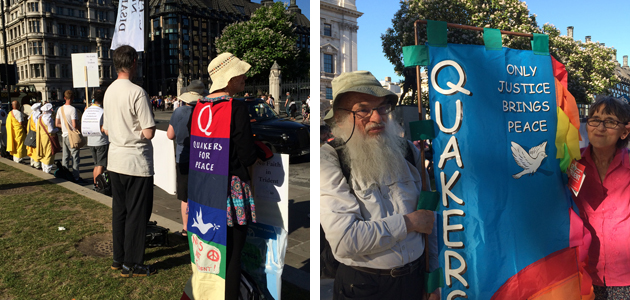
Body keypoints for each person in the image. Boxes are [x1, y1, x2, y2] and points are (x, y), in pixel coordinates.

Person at [320, 71, 439, 300]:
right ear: (341, 117)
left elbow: (429, 220)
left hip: (415, 281)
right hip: (364, 286)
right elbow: (345, 240)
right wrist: (409, 222)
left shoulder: (408, 151)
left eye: (382, 108)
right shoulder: (329, 159)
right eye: (364, 109)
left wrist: (432, 280)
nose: (377, 117)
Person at [192, 52, 257, 300]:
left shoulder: (197, 108)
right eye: (240, 73)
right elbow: (247, 155)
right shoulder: (236, 108)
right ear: (229, 79)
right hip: (230, 191)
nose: (244, 77)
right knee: (232, 255)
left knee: (211, 252)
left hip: (204, 190)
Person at [103, 45, 157, 277]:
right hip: (135, 160)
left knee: (120, 211)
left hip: (115, 159)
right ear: (134, 62)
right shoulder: (137, 92)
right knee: (137, 214)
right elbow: (149, 132)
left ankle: (118, 257)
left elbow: (105, 127)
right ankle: (132, 263)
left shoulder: (109, 91)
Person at [572, 96, 630, 300]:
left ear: (625, 131)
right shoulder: (572, 164)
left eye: (611, 121)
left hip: (625, 276)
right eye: (594, 119)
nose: (600, 127)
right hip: (580, 271)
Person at [166, 84, 203, 237]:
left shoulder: (178, 112)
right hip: (201, 156)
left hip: (182, 156)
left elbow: (170, 135)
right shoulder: (203, 112)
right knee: (201, 193)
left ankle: (186, 228)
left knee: (185, 195)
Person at [82, 90, 109, 188]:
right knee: (101, 165)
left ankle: (95, 183)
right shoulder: (102, 111)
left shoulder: (87, 110)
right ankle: (99, 184)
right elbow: (103, 128)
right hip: (101, 141)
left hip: (91, 141)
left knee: (96, 164)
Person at [55, 90, 82, 182]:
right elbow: (74, 125)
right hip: (72, 136)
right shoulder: (73, 109)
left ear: (64, 98)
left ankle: (65, 173)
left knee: (65, 156)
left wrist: (63, 126)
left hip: (64, 134)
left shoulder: (60, 109)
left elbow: (56, 123)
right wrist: (80, 127)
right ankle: (76, 176)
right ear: (73, 98)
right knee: (75, 157)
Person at [37, 103, 58, 174]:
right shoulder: (48, 119)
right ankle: (47, 171)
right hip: (49, 138)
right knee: (49, 154)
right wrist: (57, 129)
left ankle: (44, 170)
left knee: (44, 154)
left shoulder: (40, 117)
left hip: (42, 138)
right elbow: (51, 130)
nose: (52, 110)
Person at [26, 103, 42, 169]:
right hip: (36, 133)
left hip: (31, 133)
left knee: (32, 148)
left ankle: (32, 162)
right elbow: (37, 126)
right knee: (36, 149)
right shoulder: (37, 115)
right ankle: (37, 164)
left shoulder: (32, 114)